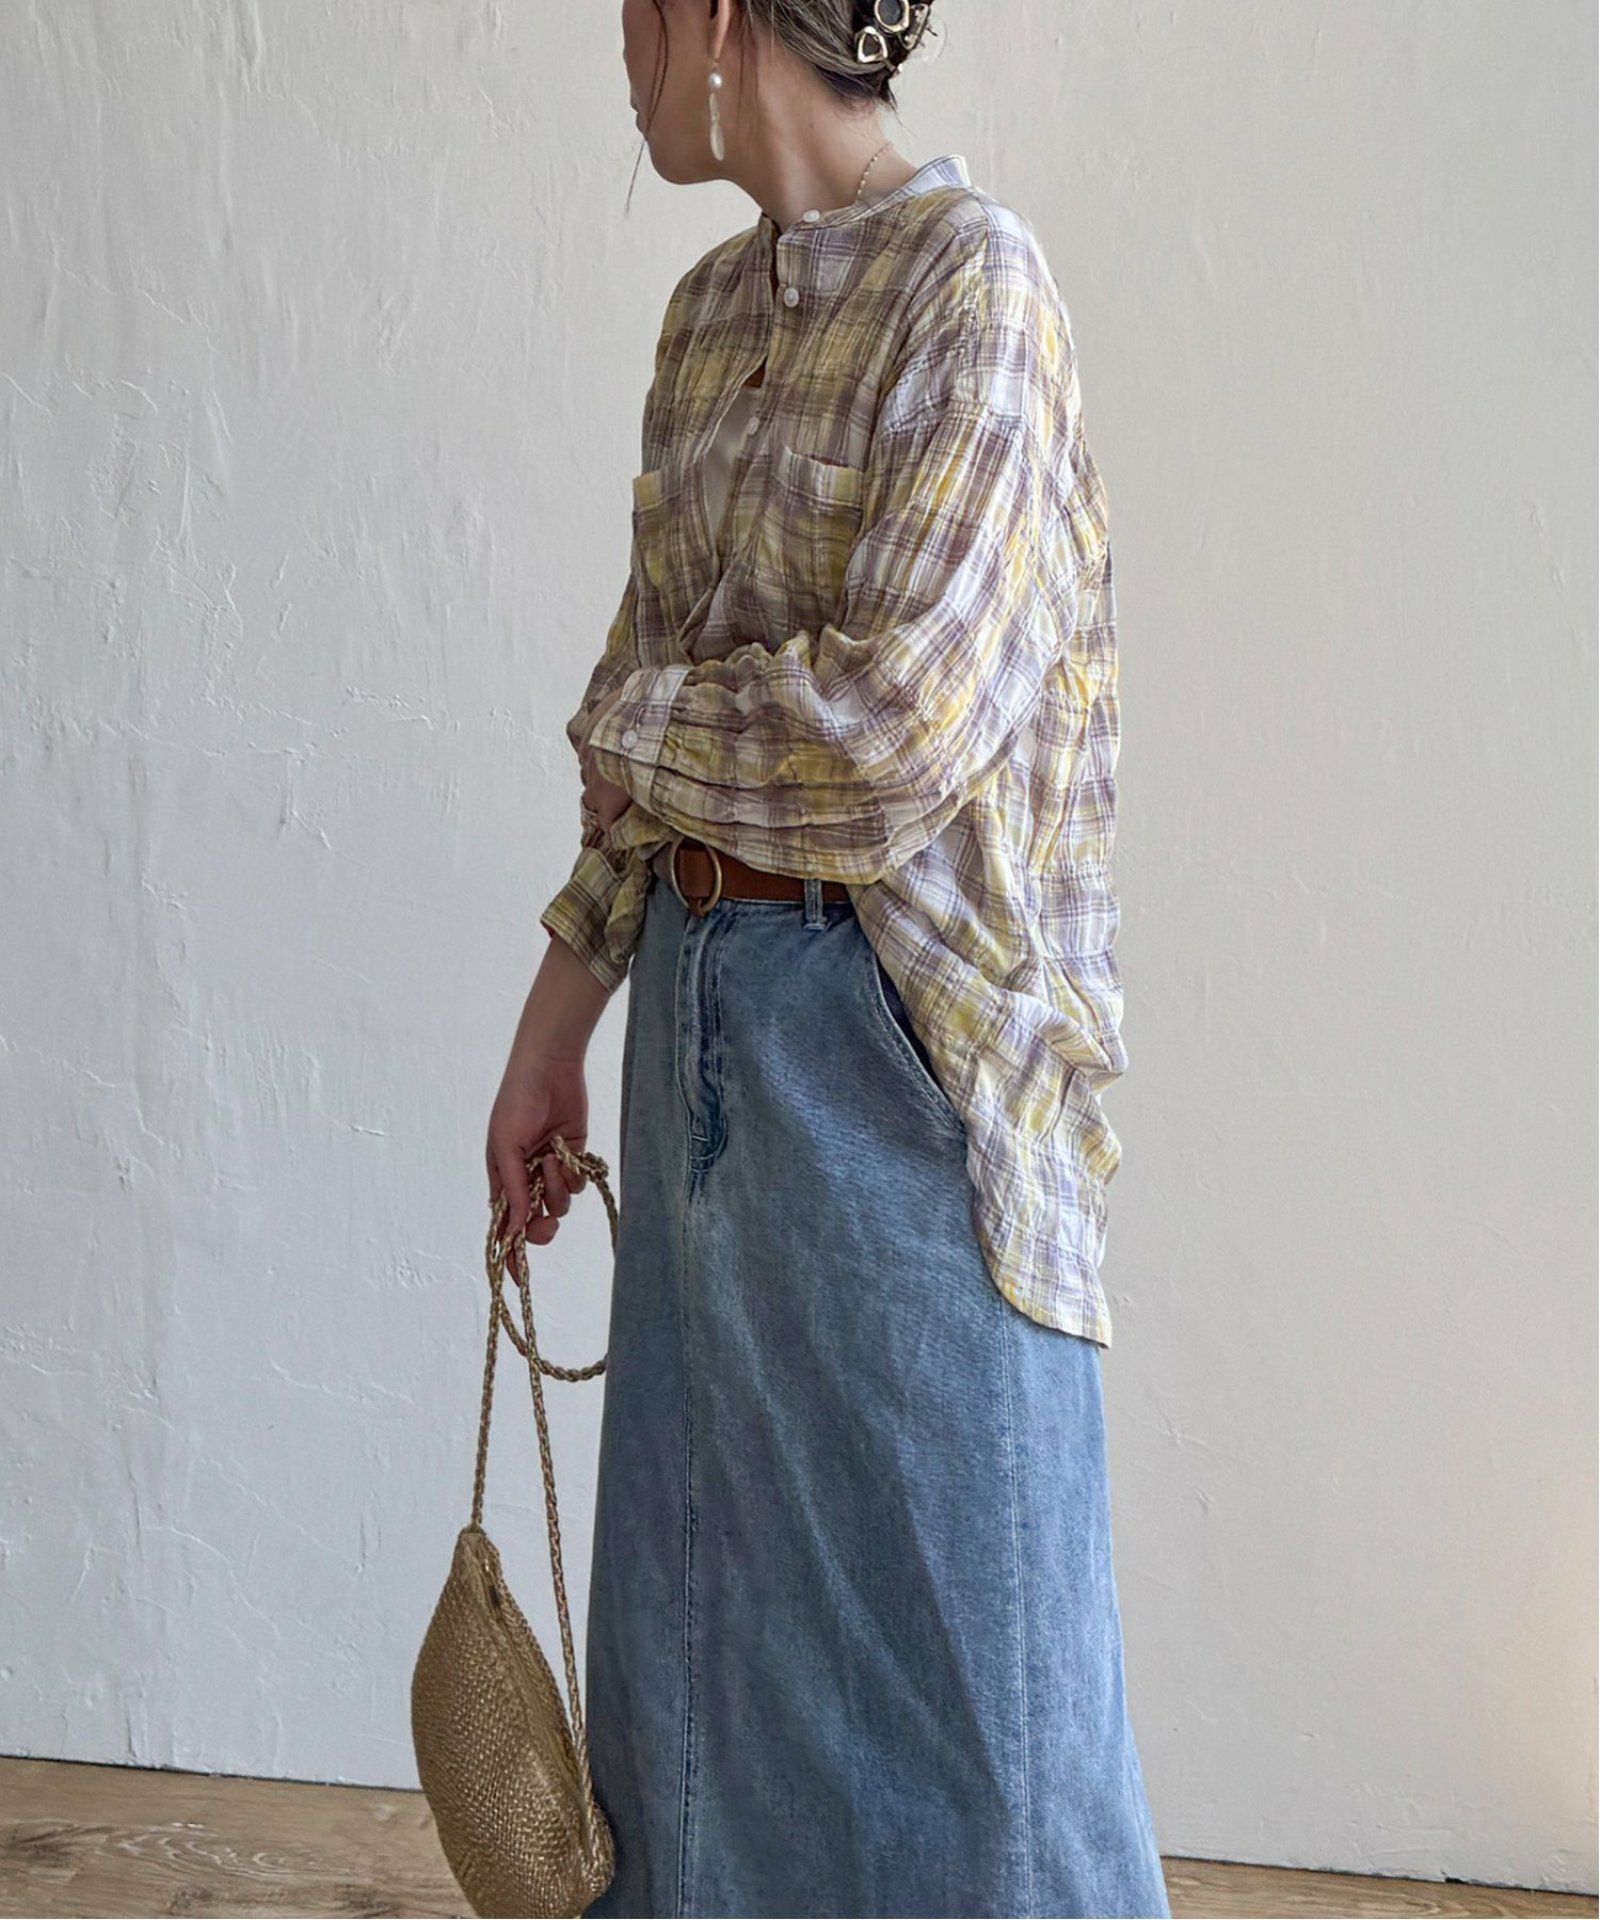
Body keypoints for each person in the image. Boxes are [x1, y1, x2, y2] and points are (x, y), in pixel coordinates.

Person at [484, 3, 1170, 1914]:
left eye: (637, 7)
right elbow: (665, 718)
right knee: (696, 1686)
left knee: (984, 1730)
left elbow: (891, 737)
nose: (621, 49)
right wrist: (553, 1029)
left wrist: (636, 730)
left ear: (717, 18)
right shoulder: (706, 323)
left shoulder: (977, 291)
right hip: (698, 1027)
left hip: (901, 1057)